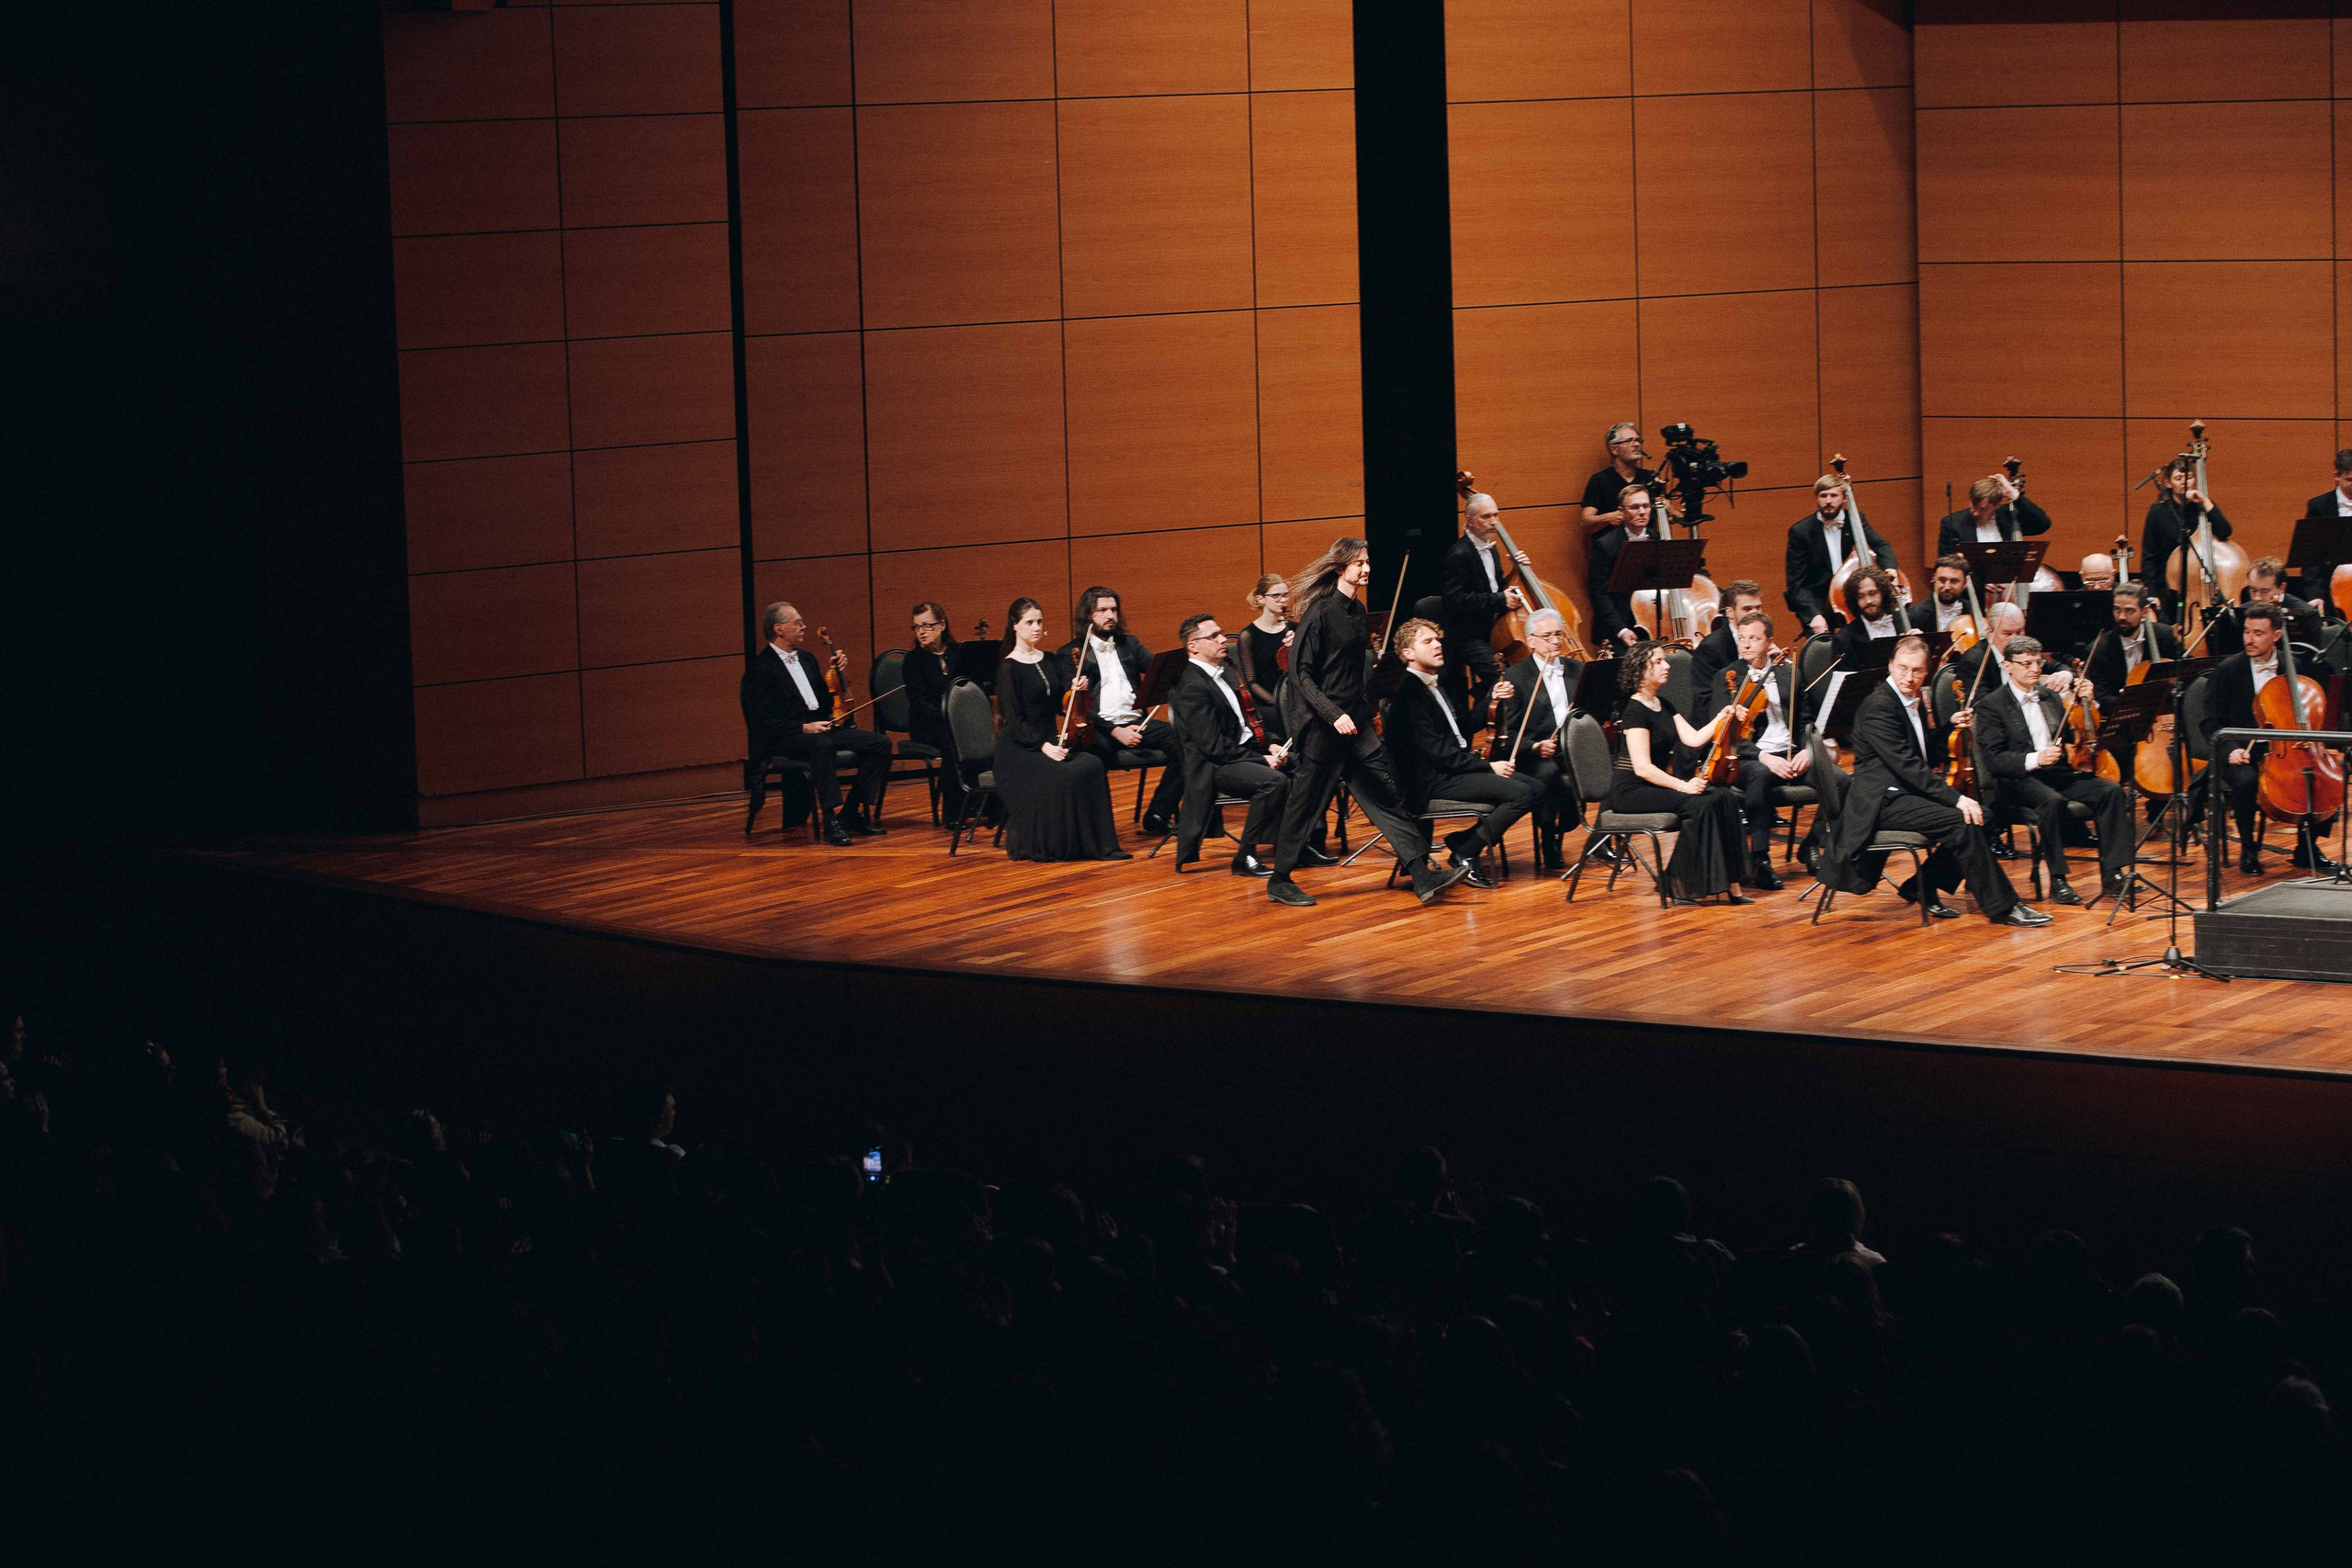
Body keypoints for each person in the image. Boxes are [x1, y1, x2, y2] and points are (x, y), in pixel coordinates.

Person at [1267, 537, 1471, 908]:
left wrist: (1372, 678)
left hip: (1356, 725)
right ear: (1340, 568)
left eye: (1367, 561)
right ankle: (1279, 879)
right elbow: (1301, 674)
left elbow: (1349, 667)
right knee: (1305, 804)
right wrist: (1334, 714)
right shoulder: (1320, 612)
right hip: (1323, 728)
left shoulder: (1358, 611)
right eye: (1359, 563)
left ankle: (1422, 874)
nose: (1366, 568)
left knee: (1385, 796)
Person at [1819, 635, 2046, 924]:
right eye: (1903, 668)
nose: (1909, 677)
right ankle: (2004, 907)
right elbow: (1908, 766)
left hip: (1905, 794)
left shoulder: (1908, 701)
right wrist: (1958, 799)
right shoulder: (1879, 706)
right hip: (1881, 801)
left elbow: (1925, 755)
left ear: (1926, 672)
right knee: (1963, 821)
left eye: (1917, 671)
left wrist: (1949, 728)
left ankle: (1921, 885)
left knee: (1986, 816)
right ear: (1890, 665)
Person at [1973, 635, 2133, 905]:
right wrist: (2037, 758)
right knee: (2052, 801)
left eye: (2037, 662)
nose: (2034, 669)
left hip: (2054, 773)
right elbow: (1994, 760)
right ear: (2008, 666)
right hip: (2016, 779)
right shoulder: (1991, 705)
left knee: (2111, 791)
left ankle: (2113, 875)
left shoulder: (2049, 697)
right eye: (2026, 664)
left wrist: (2087, 702)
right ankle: (2058, 880)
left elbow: (2071, 737)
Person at [1385, 618, 1543, 888]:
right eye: (1428, 641)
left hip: (1452, 770)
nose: (1437, 645)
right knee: (1522, 794)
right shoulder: (1408, 694)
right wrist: (1488, 767)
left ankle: (1464, 841)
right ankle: (1466, 853)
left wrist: (1492, 698)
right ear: (1408, 653)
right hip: (1432, 781)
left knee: (1537, 787)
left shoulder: (1436, 685)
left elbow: (1464, 726)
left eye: (1437, 640)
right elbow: (1438, 753)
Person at [2199, 602, 2341, 876]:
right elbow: (2210, 721)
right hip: (2243, 751)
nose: (2249, 639)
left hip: (2288, 747)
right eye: (2246, 631)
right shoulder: (2228, 670)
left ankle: (2307, 848)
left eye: (2258, 633)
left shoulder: (2294, 665)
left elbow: (2307, 709)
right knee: (2246, 781)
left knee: (2331, 774)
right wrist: (2230, 750)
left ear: (2276, 635)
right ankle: (2248, 850)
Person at [1610, 640, 1751, 904]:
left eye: (1664, 660)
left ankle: (1733, 885)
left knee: (1724, 797)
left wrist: (1722, 715)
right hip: (1631, 791)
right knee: (1701, 805)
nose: (1667, 666)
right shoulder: (1635, 710)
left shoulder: (1663, 703)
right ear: (1641, 670)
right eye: (1658, 662)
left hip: (1654, 785)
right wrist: (1683, 786)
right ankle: (1677, 883)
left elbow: (1694, 739)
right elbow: (1642, 768)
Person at [744, 600, 892, 846]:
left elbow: (824, 703)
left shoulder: (807, 659)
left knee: (880, 743)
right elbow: (762, 721)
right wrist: (803, 728)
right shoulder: (760, 668)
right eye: (797, 623)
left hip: (819, 728)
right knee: (821, 745)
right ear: (779, 629)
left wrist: (837, 672)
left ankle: (851, 811)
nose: (804, 627)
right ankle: (830, 820)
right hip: (786, 736)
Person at [994, 598, 1128, 863]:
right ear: (1015, 626)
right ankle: (1063, 846)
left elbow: (1059, 706)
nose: (1036, 627)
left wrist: (1075, 691)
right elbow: (1014, 720)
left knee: (1092, 764)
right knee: (1068, 773)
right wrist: (1043, 746)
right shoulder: (1009, 667)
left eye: (1039, 622)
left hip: (1048, 743)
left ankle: (1101, 846)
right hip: (1019, 750)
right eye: (1029, 622)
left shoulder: (1049, 659)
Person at [1168, 613, 1292, 877]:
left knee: (1308, 768)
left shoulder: (1224, 674)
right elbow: (1213, 747)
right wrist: (1261, 760)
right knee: (1274, 782)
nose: (1223, 639)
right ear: (1193, 646)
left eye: (1221, 633)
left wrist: (1272, 743)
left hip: (1243, 752)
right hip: (1216, 765)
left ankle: (1298, 846)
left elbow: (1250, 722)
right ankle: (1245, 856)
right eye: (1214, 636)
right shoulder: (1192, 687)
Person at [1060, 587, 1186, 835]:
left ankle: (1158, 813)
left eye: (1114, 610)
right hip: (1099, 728)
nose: (1111, 615)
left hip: (1136, 722)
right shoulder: (1070, 653)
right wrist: (1115, 730)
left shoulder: (1130, 644)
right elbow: (1074, 708)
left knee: (1186, 741)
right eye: (1102, 610)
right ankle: (1101, 831)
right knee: (1092, 755)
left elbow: (1159, 669)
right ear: (1088, 615)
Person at [1720, 612, 1809, 891]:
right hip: (1749, 757)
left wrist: (1808, 751)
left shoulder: (1788, 672)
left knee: (1840, 781)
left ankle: (1812, 845)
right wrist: (1763, 757)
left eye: (1754, 638)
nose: (1746, 644)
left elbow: (1805, 721)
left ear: (1769, 642)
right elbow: (1724, 731)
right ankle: (1761, 860)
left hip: (1790, 753)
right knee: (1759, 775)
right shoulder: (1728, 677)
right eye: (1741, 638)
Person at [1493, 608, 1582, 870]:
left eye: (1558, 634)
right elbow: (1506, 735)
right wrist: (1534, 746)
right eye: (1547, 636)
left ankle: (1597, 835)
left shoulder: (1577, 669)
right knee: (1548, 772)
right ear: (1530, 640)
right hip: (1535, 755)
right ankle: (1548, 838)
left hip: (1572, 748)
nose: (1555, 641)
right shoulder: (1515, 678)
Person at [1441, 485, 1531, 715]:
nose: (1494, 522)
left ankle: (1484, 694)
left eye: (1496, 515)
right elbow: (1455, 599)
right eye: (1486, 517)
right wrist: (1499, 600)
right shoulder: (1459, 554)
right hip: (1467, 636)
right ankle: (1485, 711)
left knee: (1525, 670)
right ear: (1469, 520)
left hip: (1491, 630)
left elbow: (1495, 588)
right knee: (1506, 678)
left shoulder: (1491, 549)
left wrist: (1517, 570)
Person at [1786, 474, 1897, 636]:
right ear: (1816, 498)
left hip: (1855, 598)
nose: (1828, 501)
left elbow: (1882, 545)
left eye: (1834, 495)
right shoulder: (1800, 531)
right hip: (1819, 601)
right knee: (1822, 644)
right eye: (1823, 496)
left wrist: (1890, 569)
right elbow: (1796, 583)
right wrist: (1813, 615)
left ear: (1845, 498)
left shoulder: (1855, 521)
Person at [2142, 458, 2232, 622]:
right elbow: (2149, 557)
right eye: (2178, 478)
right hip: (2168, 589)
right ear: (2168, 483)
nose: (2185, 482)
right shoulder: (2158, 512)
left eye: (2189, 477)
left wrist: (2205, 502)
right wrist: (2152, 595)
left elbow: (2225, 531)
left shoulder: (2202, 507)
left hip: (2199, 585)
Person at [901, 601, 966, 823]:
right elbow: (918, 702)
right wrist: (947, 717)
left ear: (942, 625)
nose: (921, 632)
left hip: (958, 722)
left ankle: (982, 805)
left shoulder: (959, 653)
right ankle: (952, 812)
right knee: (953, 744)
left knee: (982, 739)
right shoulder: (912, 660)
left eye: (927, 625)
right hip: (927, 725)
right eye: (917, 627)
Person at [2206, 557, 2328, 658]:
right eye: (2253, 590)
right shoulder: (2239, 614)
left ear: (2282, 588)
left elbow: (2311, 662)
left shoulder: (2307, 615)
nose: (2257, 598)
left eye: (2264, 591)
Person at [1589, 482, 1663, 649]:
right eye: (1635, 507)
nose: (1642, 512)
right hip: (1619, 628)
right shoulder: (1605, 545)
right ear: (1622, 511)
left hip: (1655, 623)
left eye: (1646, 506)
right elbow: (1598, 593)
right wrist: (1621, 630)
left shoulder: (1659, 539)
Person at [2084, 584, 2183, 705]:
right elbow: (2101, 698)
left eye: (2129, 610)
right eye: (2117, 610)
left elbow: (2185, 670)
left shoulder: (2164, 635)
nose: (2121, 617)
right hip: (2119, 712)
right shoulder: (2099, 649)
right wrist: (2138, 703)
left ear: (2144, 612)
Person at [1934, 471, 2051, 558]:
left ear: (1996, 505)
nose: (1975, 512)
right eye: (1973, 505)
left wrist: (2014, 495)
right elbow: (1944, 563)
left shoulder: (2009, 516)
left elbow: (2043, 524)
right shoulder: (1952, 523)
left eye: (1983, 509)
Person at [1235, 574, 1294, 741]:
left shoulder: (1295, 629)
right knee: (1274, 716)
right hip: (1269, 701)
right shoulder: (1248, 636)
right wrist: (1280, 702)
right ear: (1261, 599)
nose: (1283, 600)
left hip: (1297, 696)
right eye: (1276, 596)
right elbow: (1252, 682)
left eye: (1285, 595)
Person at [2291, 448, 2352, 605]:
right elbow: (2311, 558)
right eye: (2350, 480)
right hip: (2330, 592)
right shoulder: (2319, 507)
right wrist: (2315, 595)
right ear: (2337, 476)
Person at [1578, 421, 1658, 536]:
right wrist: (1608, 518)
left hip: (1646, 543)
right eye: (1629, 441)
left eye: (1638, 440)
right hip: (1612, 544)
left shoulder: (1649, 477)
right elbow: (1585, 522)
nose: (1636, 444)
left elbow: (1667, 518)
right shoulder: (1599, 480)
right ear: (1614, 450)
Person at [1690, 579, 1764, 696]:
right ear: (1730, 612)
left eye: (1758, 607)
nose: (1756, 614)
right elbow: (1706, 698)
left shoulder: (1764, 639)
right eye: (1747, 609)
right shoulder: (1710, 648)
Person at [1831, 566, 1905, 668]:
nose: (1868, 601)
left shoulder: (1906, 621)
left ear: (1883, 593)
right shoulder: (1844, 639)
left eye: (1873, 593)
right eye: (1861, 596)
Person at [1916, 555, 1973, 635]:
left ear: (1964, 583)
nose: (1947, 587)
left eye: (1954, 581)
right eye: (1942, 580)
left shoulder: (1973, 611)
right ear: (1934, 578)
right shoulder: (1915, 615)